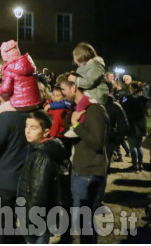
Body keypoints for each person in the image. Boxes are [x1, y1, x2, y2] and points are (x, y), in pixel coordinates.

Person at [58, 73, 109, 243]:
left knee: (84, 221)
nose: (62, 93)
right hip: (81, 169)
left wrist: (76, 125)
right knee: (82, 220)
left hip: (89, 173)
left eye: (64, 89)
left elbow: (96, 142)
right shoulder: (79, 109)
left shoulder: (95, 109)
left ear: (74, 87)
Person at [0, 96, 30, 243]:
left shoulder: (6, 117)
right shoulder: (31, 116)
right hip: (24, 180)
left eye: (0, 94)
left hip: (5, 181)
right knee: (14, 227)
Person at [18, 110, 69, 244]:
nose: (28, 131)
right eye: (26, 126)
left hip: (37, 217)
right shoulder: (40, 150)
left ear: (46, 132)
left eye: (33, 128)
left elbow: (38, 191)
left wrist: (28, 220)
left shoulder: (41, 156)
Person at [64, 43, 109, 138]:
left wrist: (75, 80)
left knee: (81, 106)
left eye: (75, 56)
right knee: (79, 107)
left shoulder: (95, 65)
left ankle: (77, 127)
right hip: (91, 92)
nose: (74, 59)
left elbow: (90, 82)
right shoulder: (86, 66)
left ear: (81, 55)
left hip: (96, 93)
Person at [123, 81, 148, 171]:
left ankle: (134, 165)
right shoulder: (143, 98)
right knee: (139, 146)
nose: (129, 89)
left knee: (132, 146)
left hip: (132, 123)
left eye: (130, 88)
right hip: (142, 123)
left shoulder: (129, 98)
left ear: (134, 89)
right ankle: (140, 164)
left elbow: (123, 106)